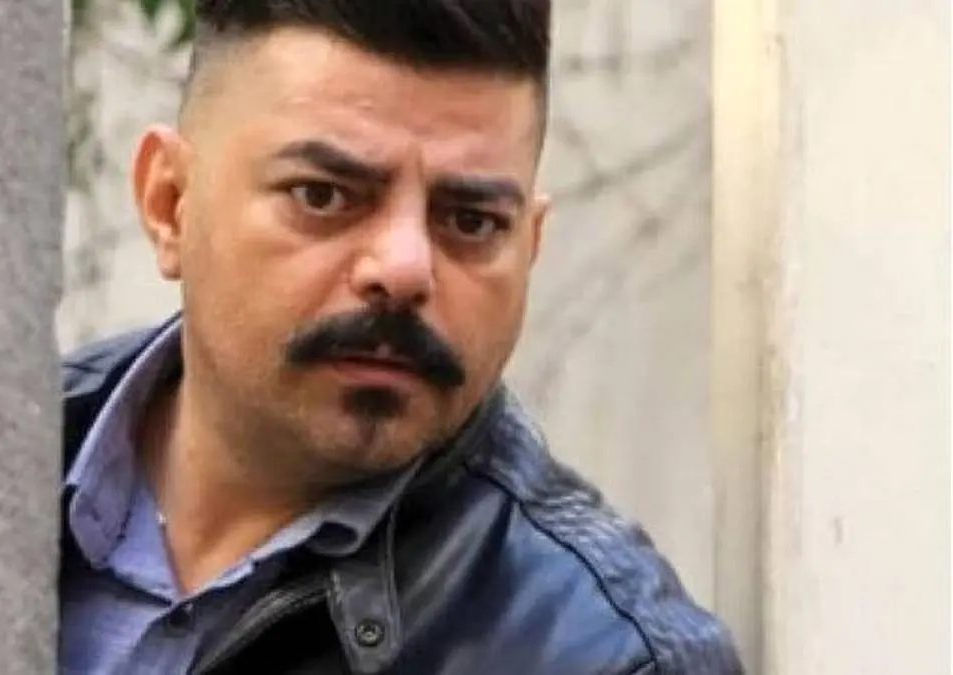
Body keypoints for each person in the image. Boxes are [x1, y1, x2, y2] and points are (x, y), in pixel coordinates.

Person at [58, 0, 744, 673]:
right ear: (169, 203)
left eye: (471, 221)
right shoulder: (8, 453)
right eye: (323, 195)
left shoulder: (605, 657)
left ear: (529, 246)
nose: (405, 269)